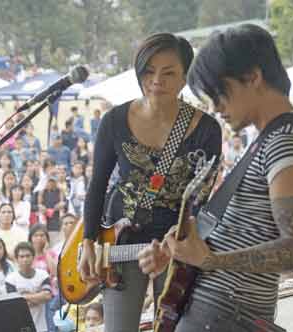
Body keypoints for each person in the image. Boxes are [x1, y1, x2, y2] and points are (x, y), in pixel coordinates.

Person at [137, 24, 293, 332]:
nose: (215, 107)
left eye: (219, 92)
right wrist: (178, 255)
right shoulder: (270, 139)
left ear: (253, 77)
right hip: (215, 312)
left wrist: (211, 261)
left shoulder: (287, 142)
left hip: (228, 316)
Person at [78, 33, 222, 332]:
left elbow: (203, 201)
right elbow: (97, 185)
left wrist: (179, 239)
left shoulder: (207, 130)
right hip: (121, 240)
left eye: (169, 73)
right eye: (148, 71)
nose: (157, 80)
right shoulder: (114, 120)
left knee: (172, 327)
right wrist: (89, 239)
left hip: (176, 246)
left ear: (185, 78)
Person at [5, 242, 52, 332]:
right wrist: (38, 297)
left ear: (33, 257)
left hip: (42, 326)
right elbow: (15, 304)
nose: (25, 259)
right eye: (21, 257)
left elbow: (47, 296)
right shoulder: (10, 279)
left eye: (27, 256)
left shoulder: (43, 275)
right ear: (16, 259)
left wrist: (23, 296)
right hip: (20, 327)